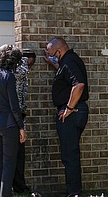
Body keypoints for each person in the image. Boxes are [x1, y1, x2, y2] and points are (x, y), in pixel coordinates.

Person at [44, 37, 89, 197]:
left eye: (51, 53)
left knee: (69, 154)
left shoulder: (69, 61)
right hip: (75, 111)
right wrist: (53, 64)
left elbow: (79, 85)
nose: (50, 56)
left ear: (59, 50)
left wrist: (69, 108)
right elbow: (66, 75)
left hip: (71, 112)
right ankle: (74, 191)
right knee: (70, 153)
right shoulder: (68, 61)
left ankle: (74, 193)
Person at [0, 44, 27, 197]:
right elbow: (14, 106)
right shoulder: (8, 76)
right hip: (9, 124)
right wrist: (21, 127)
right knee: (9, 164)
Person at [13, 49, 36, 195]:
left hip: (12, 118)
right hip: (16, 118)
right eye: (30, 64)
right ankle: (19, 186)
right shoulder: (21, 69)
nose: (30, 68)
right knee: (18, 155)